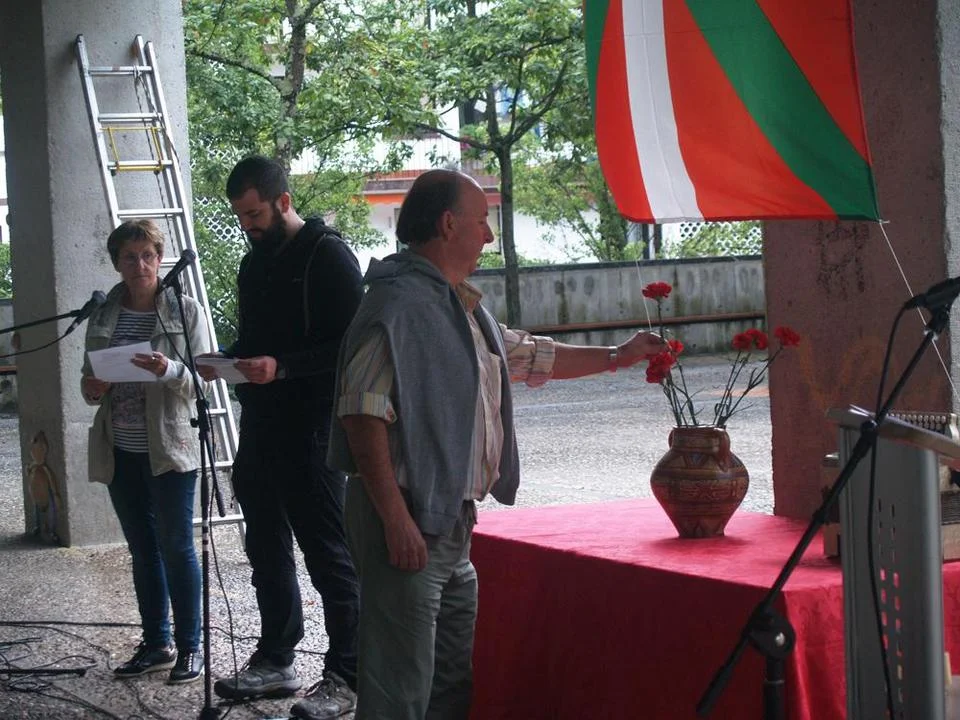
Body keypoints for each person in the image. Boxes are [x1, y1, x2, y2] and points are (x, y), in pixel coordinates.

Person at [328, 169, 665, 719]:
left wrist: (618, 356)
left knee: (447, 685)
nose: (488, 235)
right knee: (398, 691)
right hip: (407, 518)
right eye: (482, 221)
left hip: (448, 521)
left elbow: (527, 355)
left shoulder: (458, 308)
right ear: (448, 224)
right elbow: (360, 414)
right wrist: (395, 520)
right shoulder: (397, 305)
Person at [196, 155, 362, 720]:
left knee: (328, 552)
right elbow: (255, 340)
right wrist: (226, 360)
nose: (248, 226)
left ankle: (348, 673)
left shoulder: (328, 256)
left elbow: (354, 347)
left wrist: (284, 367)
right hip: (261, 424)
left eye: (254, 214)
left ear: (283, 201)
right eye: (240, 217)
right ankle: (276, 659)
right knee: (265, 546)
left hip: (313, 428)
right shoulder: (253, 264)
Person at [81, 219, 210, 685]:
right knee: (142, 549)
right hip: (121, 449)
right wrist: (94, 387)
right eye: (130, 257)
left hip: (170, 448)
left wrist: (169, 369)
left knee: (177, 547)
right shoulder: (102, 314)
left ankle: (191, 647)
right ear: (117, 263)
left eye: (149, 255)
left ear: (160, 259)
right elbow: (87, 387)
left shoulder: (185, 311)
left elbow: (203, 382)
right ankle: (157, 643)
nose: (141, 265)